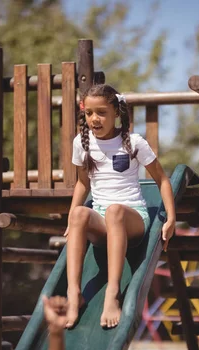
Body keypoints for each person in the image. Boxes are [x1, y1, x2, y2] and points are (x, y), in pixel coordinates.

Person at [65, 84, 176, 329]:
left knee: (115, 210)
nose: (95, 119)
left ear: (116, 111)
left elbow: (163, 180)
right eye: (89, 113)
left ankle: (112, 293)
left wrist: (170, 218)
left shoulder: (133, 142)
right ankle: (74, 294)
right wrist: (72, 221)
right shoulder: (81, 143)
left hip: (131, 218)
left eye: (102, 112)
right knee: (80, 212)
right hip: (102, 220)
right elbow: (83, 184)